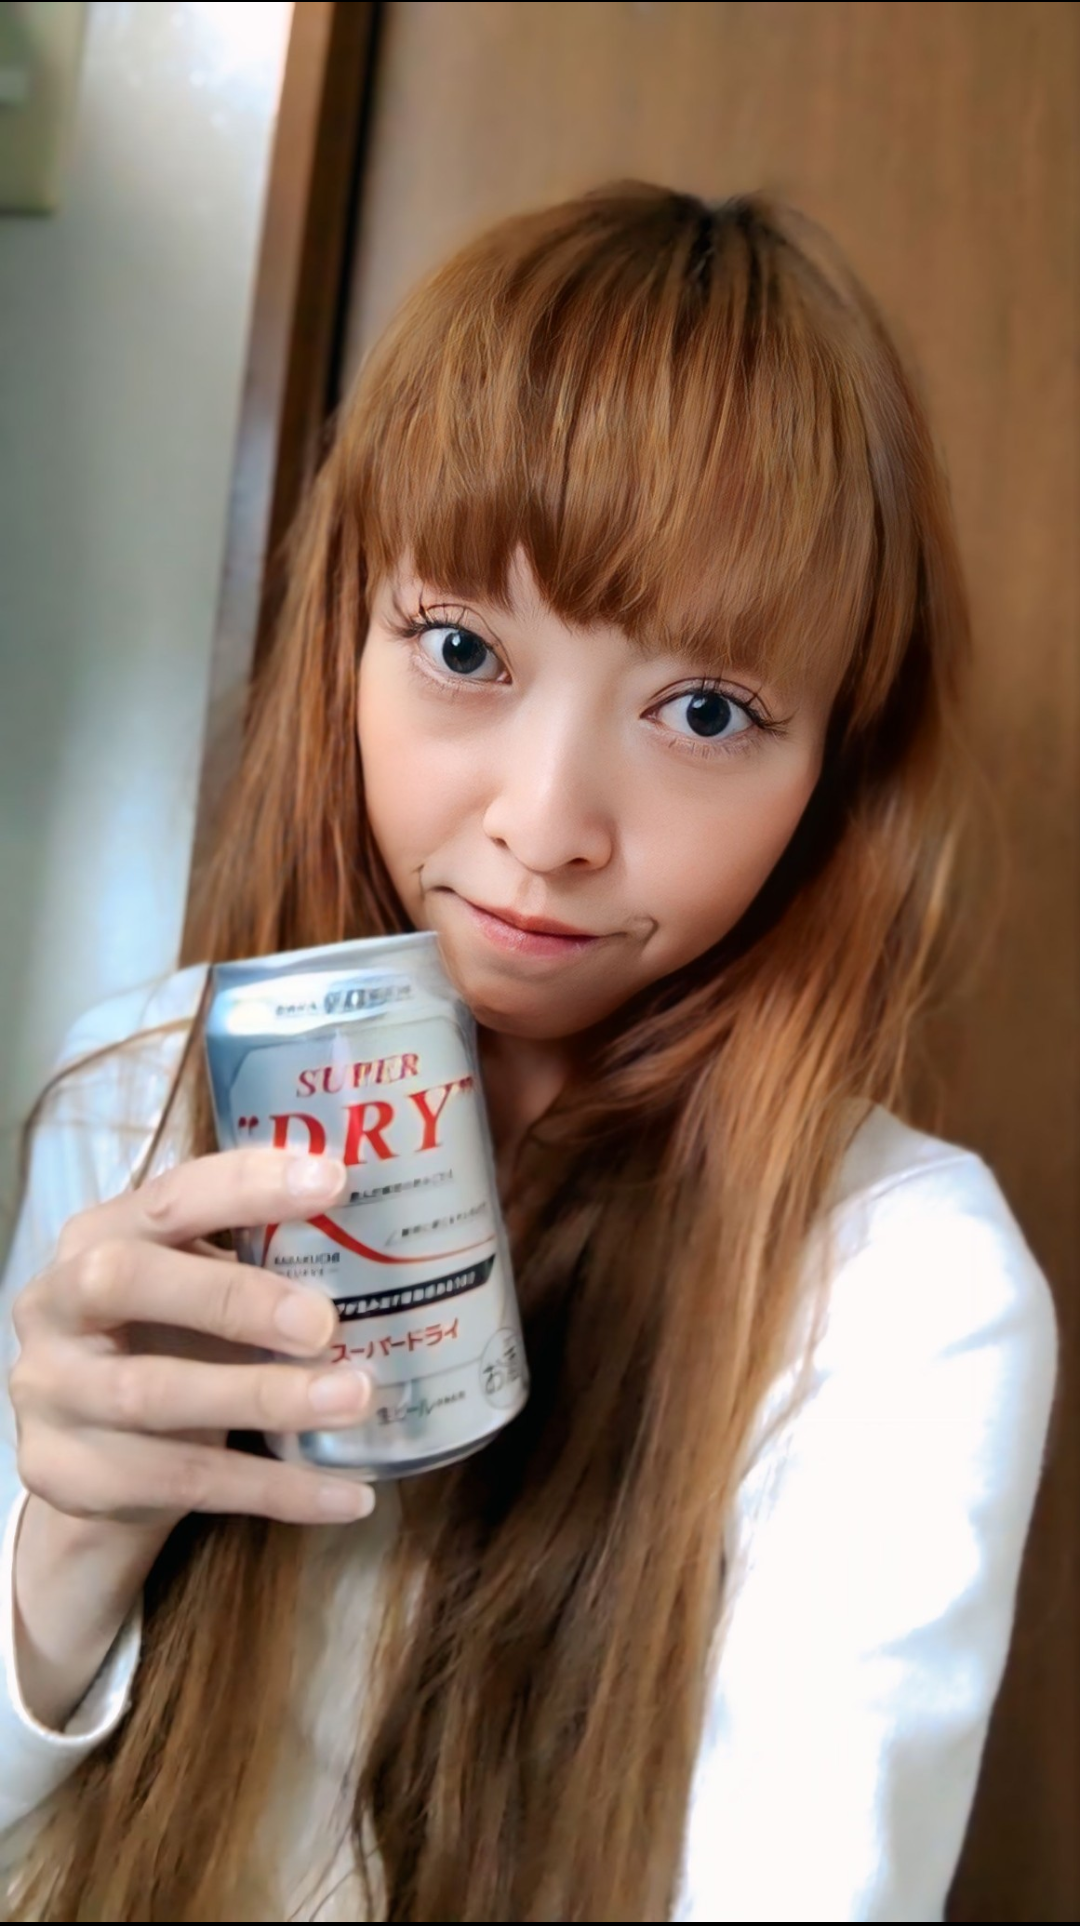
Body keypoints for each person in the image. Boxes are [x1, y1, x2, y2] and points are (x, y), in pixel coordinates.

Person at [0, 185, 1058, 1923]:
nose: (548, 823)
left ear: (836, 773)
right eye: (463, 649)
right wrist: (67, 1548)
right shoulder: (137, 1089)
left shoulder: (904, 1285)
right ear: (348, 636)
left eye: (705, 711)